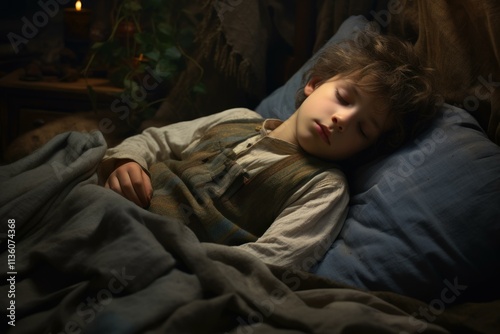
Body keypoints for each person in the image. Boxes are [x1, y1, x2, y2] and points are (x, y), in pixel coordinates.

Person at [98, 31, 438, 270]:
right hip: (116, 204)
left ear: (365, 148)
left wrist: (180, 262)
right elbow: (156, 140)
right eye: (344, 98)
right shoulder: (238, 117)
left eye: (363, 128)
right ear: (315, 83)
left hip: (163, 255)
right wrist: (127, 162)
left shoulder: (324, 186)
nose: (342, 120)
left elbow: (275, 257)